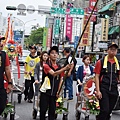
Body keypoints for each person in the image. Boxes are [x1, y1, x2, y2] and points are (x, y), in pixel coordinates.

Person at [40, 46, 71, 120]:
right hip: (45, 92)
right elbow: (54, 73)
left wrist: (59, 91)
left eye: (56, 53)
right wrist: (64, 68)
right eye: (52, 53)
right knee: (43, 110)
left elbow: (61, 79)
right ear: (49, 55)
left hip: (54, 93)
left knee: (52, 112)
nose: (54, 55)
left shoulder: (59, 66)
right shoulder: (46, 65)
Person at [94, 43, 120, 120]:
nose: (113, 51)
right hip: (104, 89)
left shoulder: (118, 63)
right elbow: (97, 76)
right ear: (107, 50)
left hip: (114, 89)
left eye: (114, 50)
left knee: (109, 111)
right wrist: (98, 91)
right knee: (104, 110)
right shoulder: (101, 62)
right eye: (111, 49)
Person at [0, 36, 12, 115]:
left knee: (2, 104)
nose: (1, 44)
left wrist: (9, 83)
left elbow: (7, 69)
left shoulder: (4, 55)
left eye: (1, 42)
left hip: (0, 84)